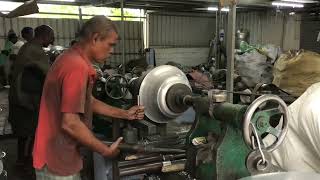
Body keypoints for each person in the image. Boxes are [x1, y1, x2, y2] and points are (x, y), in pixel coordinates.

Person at [33, 16, 144, 179]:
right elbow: (70, 123)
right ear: (95, 39)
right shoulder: (76, 67)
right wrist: (105, 150)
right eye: (110, 45)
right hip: (56, 158)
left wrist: (125, 114)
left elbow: (88, 102)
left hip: (59, 151)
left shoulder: (72, 58)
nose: (112, 51)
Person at [8, 25, 54, 179]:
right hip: (27, 99)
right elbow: (49, 73)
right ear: (45, 36)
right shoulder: (35, 50)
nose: (53, 40)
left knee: (23, 133)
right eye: (51, 37)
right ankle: (30, 164)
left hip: (20, 96)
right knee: (34, 131)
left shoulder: (26, 47)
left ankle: (21, 160)